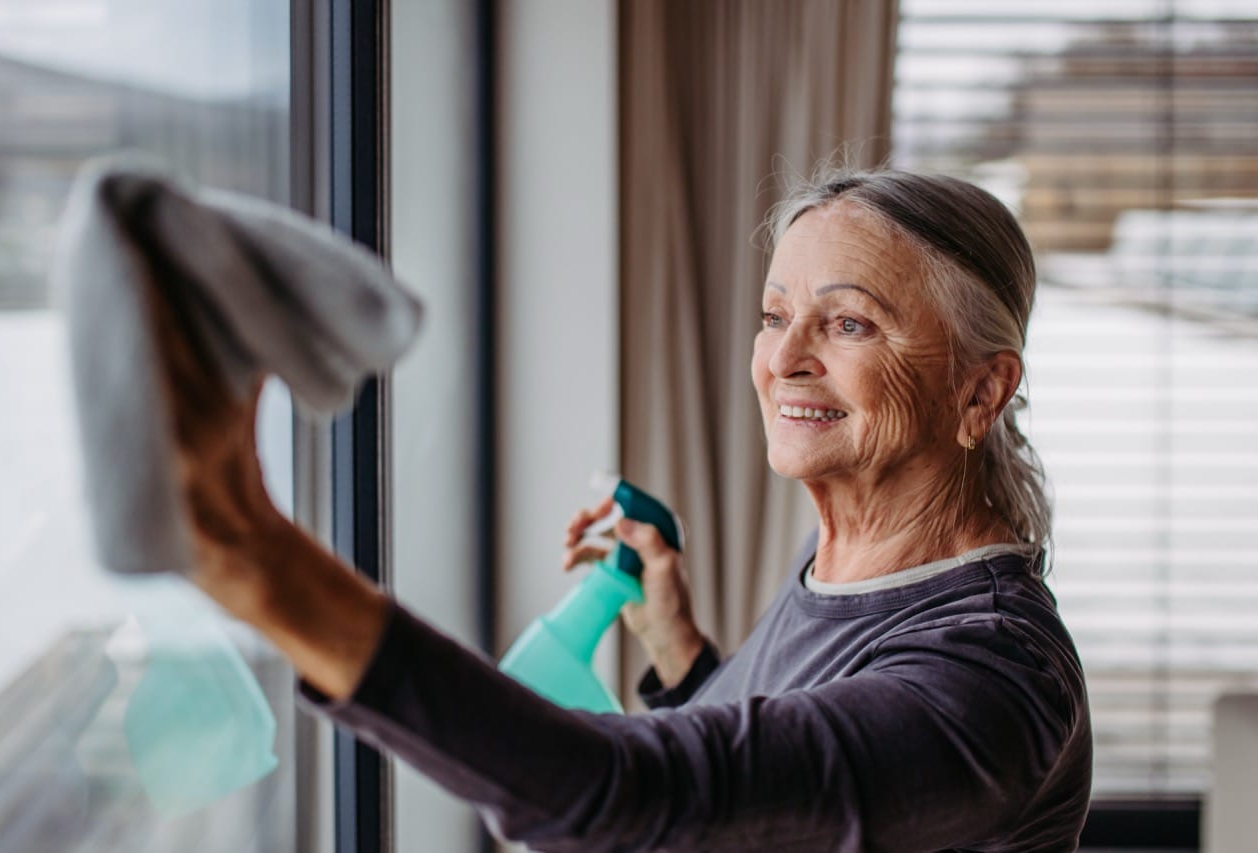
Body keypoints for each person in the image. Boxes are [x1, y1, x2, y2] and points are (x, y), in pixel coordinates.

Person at [161, 169, 1092, 851]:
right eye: (774, 316)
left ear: (980, 391)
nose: (785, 358)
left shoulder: (994, 679)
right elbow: (786, 791)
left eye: (848, 322)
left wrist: (262, 563)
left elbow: (647, 795)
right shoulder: (853, 568)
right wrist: (679, 649)